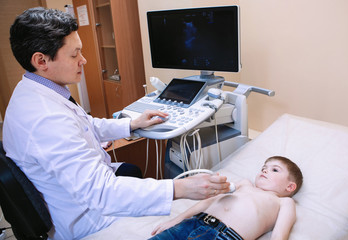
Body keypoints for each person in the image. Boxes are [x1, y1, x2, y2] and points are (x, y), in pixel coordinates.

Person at [3, 7, 231, 240]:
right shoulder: (44, 119)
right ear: (41, 60)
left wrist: (131, 124)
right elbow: (101, 194)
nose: (84, 60)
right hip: (91, 221)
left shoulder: (35, 90)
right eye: (74, 55)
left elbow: (84, 124)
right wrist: (180, 188)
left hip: (80, 197)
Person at [150, 156, 303, 240]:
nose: (265, 171)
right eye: (263, 168)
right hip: (193, 222)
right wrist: (176, 220)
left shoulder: (284, 202)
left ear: (289, 187)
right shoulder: (245, 184)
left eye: (274, 170)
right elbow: (210, 201)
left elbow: (279, 235)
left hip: (225, 235)